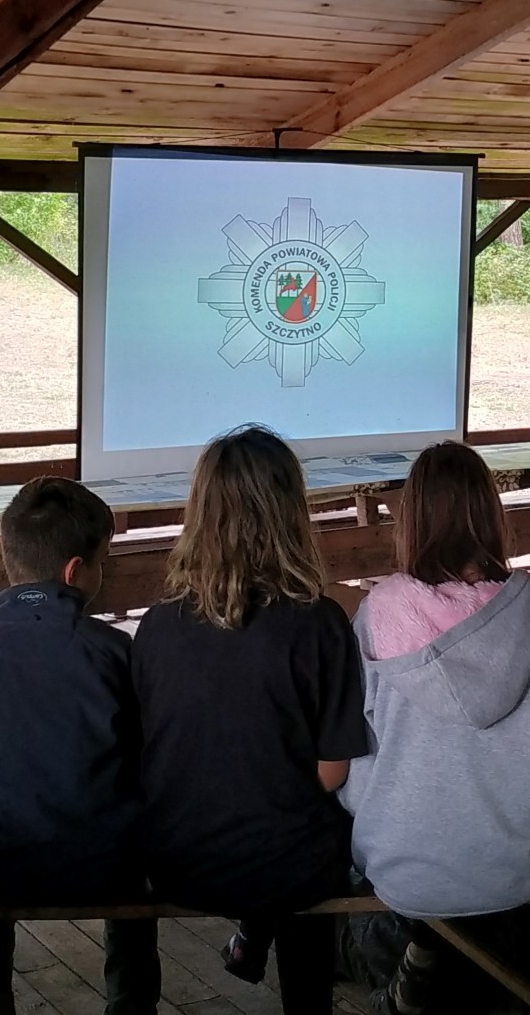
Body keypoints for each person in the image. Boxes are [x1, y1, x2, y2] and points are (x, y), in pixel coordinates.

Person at [338, 441, 530, 1015]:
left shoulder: (375, 620)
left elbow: (355, 773)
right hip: (523, 870)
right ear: (491, 515)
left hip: (405, 871)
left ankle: (409, 973)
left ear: (411, 520)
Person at [132, 426, 368, 1015]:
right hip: (288, 870)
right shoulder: (321, 624)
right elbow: (332, 774)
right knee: (303, 837)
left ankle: (250, 937)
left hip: (177, 861)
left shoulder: (156, 626)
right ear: (292, 514)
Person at [0, 476, 160, 1015]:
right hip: (106, 867)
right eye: (103, 561)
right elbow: (146, 761)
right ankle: (131, 1005)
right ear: (75, 571)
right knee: (137, 864)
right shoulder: (114, 653)